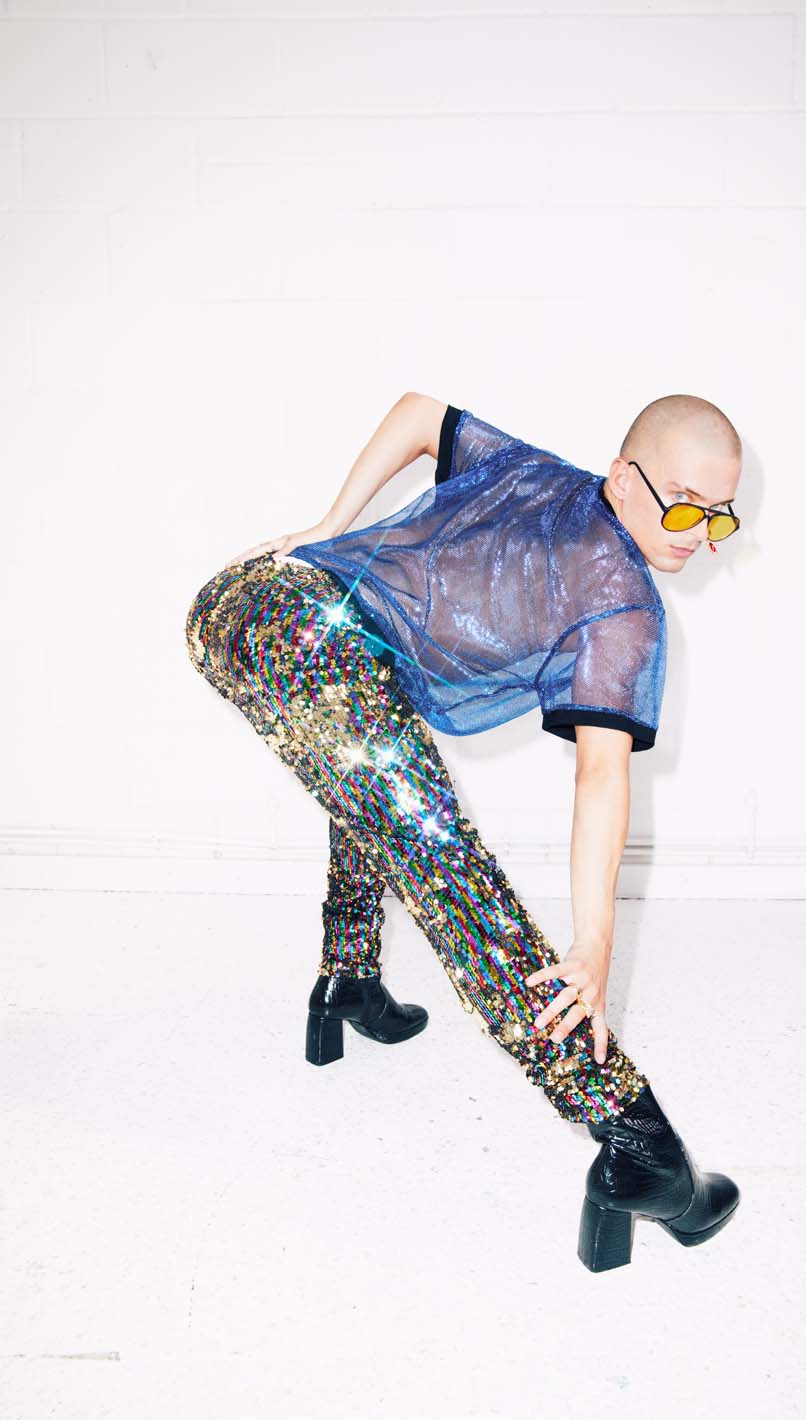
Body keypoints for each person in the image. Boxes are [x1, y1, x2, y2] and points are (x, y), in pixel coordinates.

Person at [185, 391, 744, 1272]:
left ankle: (347, 984)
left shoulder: (533, 477)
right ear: (622, 477)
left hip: (239, 607)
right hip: (304, 627)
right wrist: (591, 947)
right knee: (451, 876)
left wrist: (329, 530)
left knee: (377, 780)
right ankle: (643, 1150)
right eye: (681, 503)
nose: (694, 535)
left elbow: (418, 413)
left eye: (719, 518)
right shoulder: (624, 607)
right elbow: (600, 773)